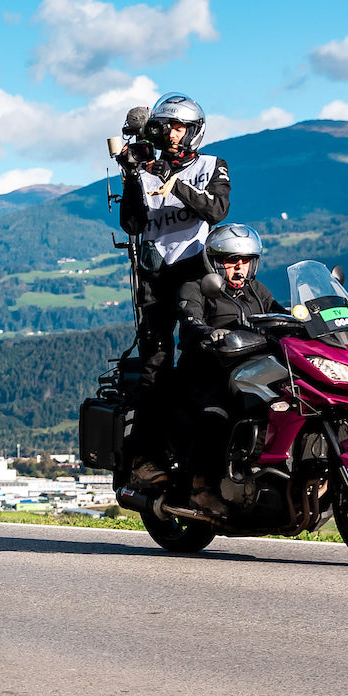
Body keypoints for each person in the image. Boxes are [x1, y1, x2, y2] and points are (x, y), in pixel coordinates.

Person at [115, 92, 231, 476]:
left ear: (194, 131)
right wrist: (133, 176)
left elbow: (215, 210)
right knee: (156, 365)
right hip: (153, 275)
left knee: (205, 351)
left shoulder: (212, 165)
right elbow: (131, 222)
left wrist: (174, 181)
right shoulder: (145, 168)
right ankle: (145, 457)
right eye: (167, 127)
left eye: (180, 127)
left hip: (196, 270)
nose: (173, 135)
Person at [175, 223, 286, 513]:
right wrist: (206, 333)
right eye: (231, 262)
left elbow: (281, 316)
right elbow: (189, 321)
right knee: (216, 416)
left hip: (249, 372)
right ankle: (202, 489)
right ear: (214, 261)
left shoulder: (257, 291)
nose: (239, 269)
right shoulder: (198, 287)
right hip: (206, 373)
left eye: (246, 261)